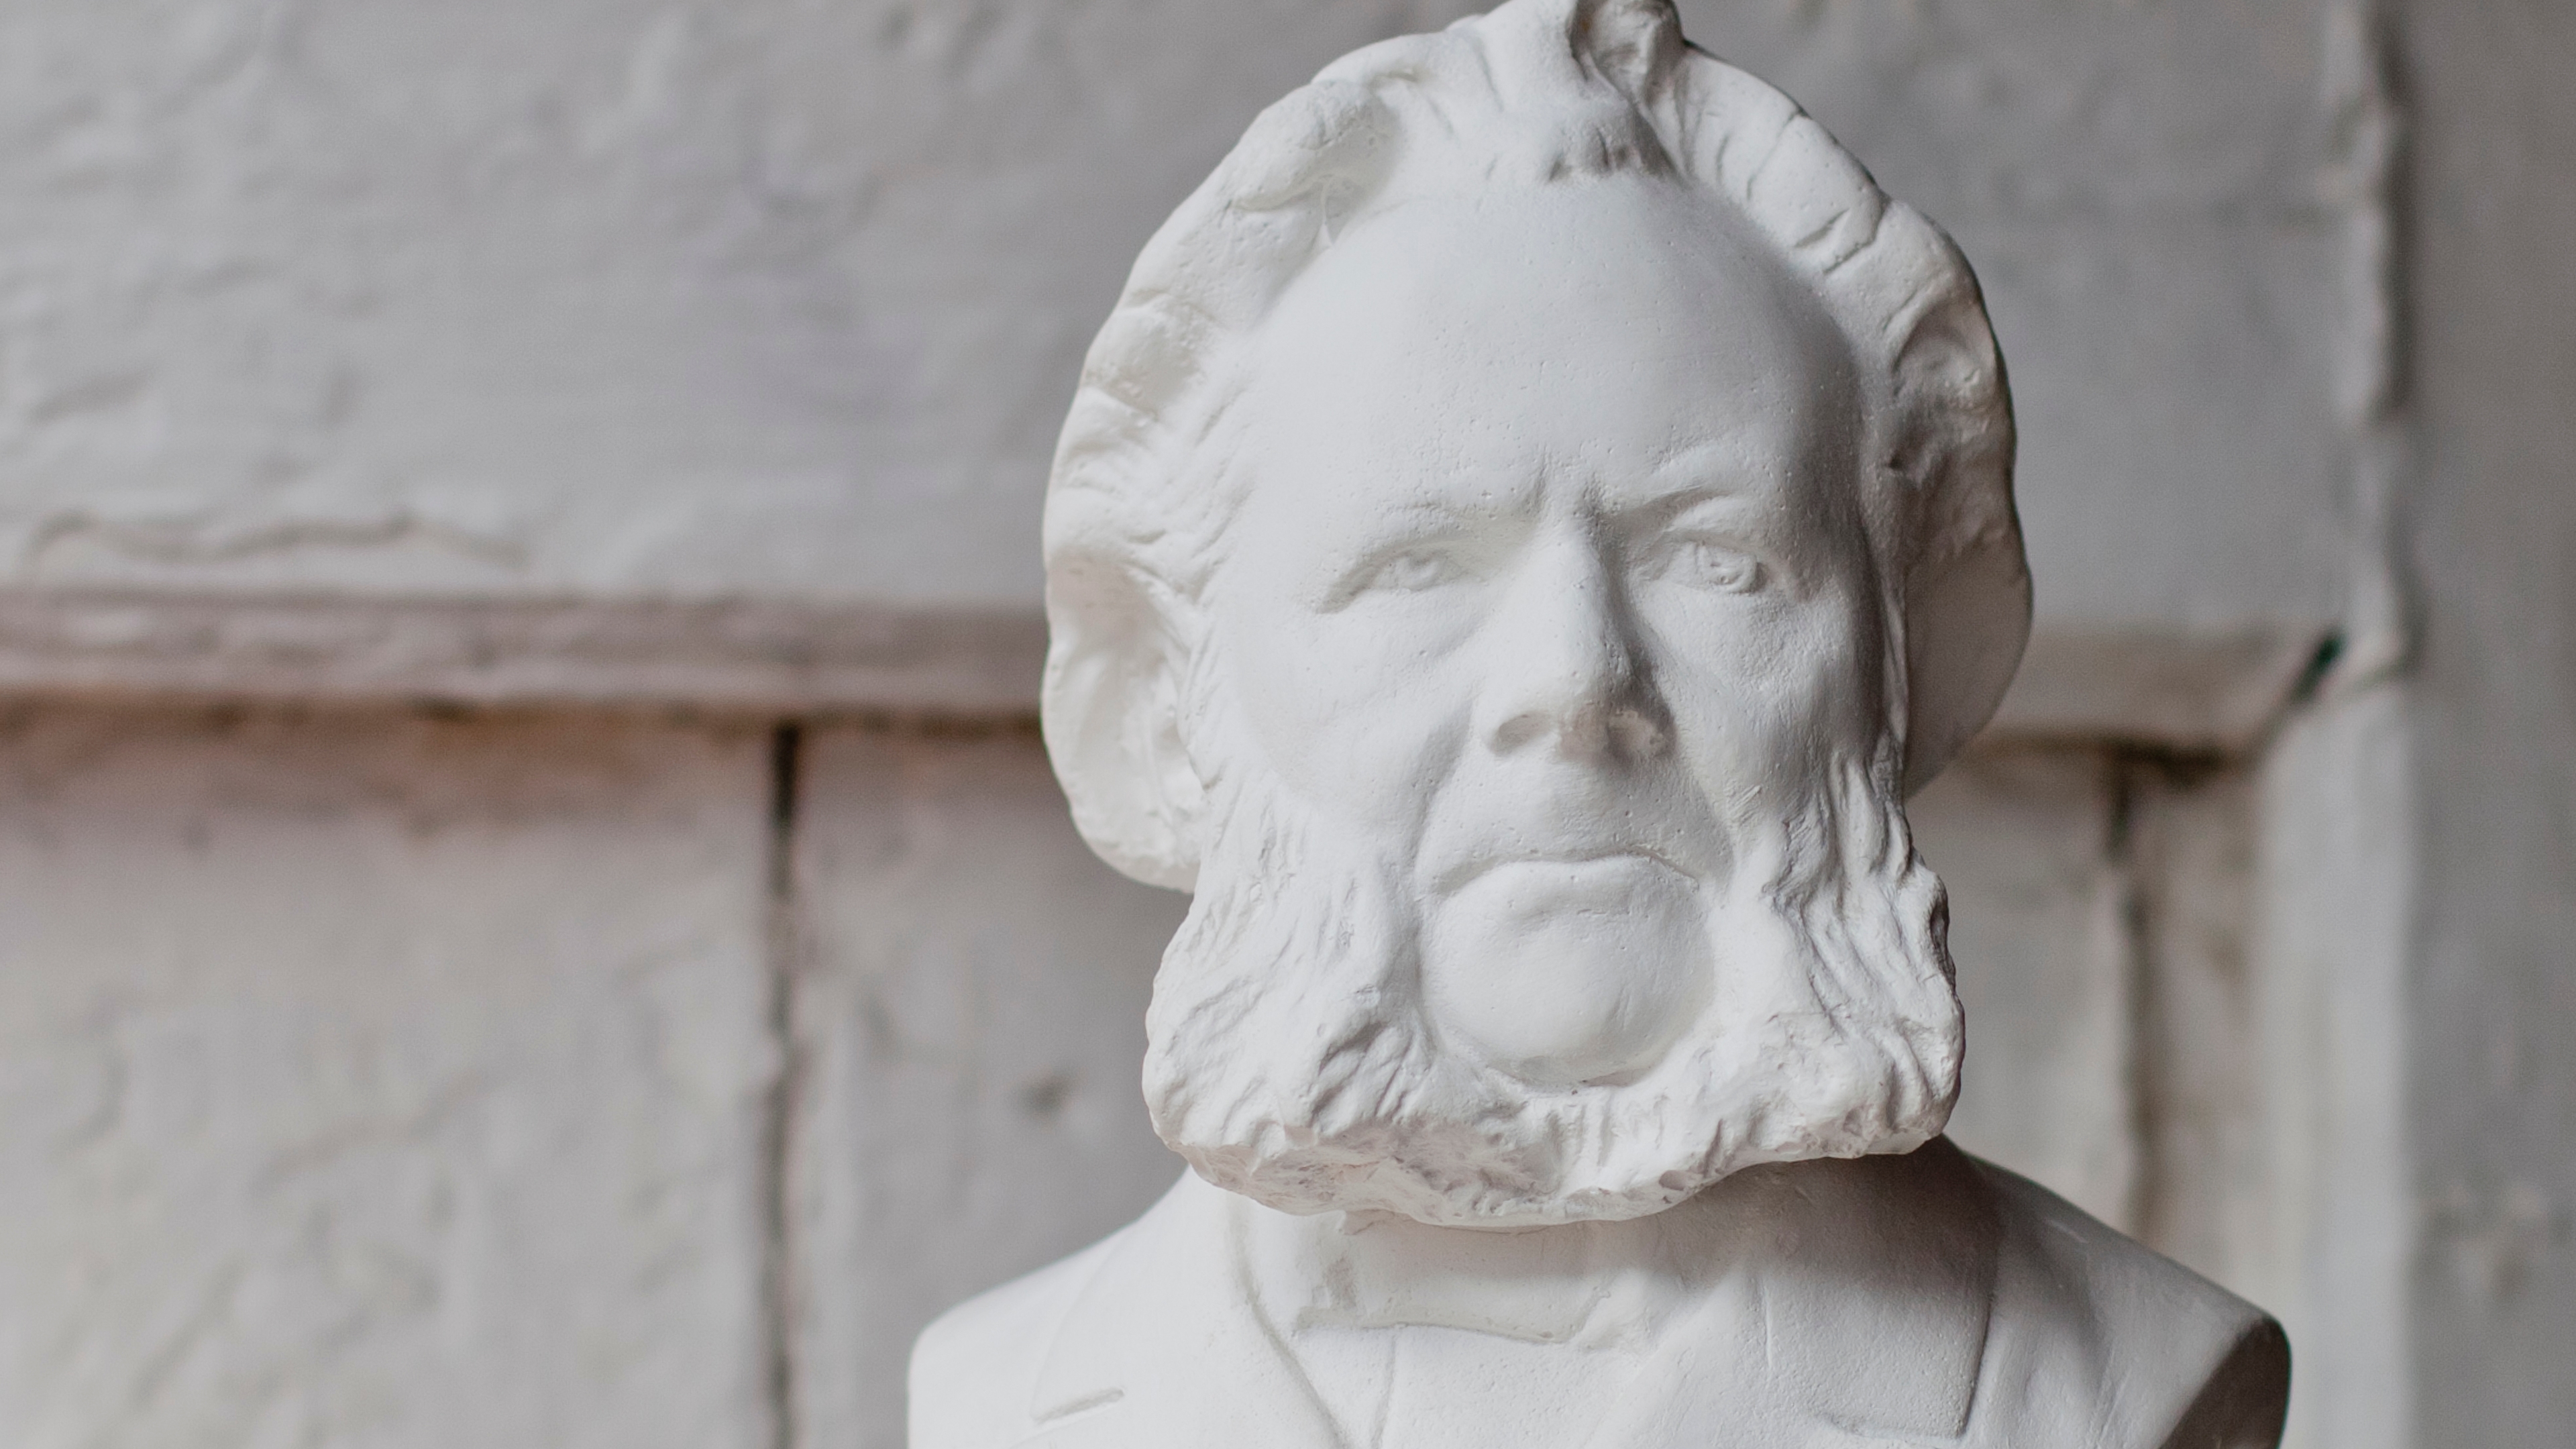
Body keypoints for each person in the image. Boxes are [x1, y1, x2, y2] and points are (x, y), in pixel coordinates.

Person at [914, 1, 2288, 1444]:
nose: (1575, 685)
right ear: (1168, 700)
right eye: (1416, 570)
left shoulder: (2111, 1379)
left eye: (1714, 558)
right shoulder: (1009, 1394)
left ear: (1893, 659)